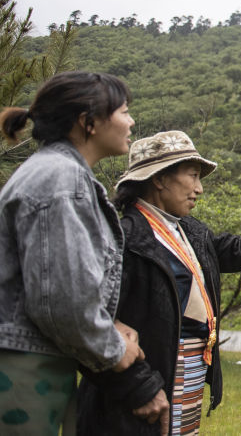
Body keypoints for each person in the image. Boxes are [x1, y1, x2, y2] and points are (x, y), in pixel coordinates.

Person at [75, 130, 241, 435]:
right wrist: (138, 387)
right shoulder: (122, 239)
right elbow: (88, 327)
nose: (199, 189)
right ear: (159, 179)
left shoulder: (192, 233)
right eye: (192, 176)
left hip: (186, 384)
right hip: (139, 393)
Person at [0, 71, 144, 435]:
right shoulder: (61, 180)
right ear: (89, 123)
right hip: (22, 369)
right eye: (124, 111)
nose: (131, 121)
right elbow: (61, 302)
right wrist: (114, 347)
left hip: (35, 361)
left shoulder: (59, 173)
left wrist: (105, 324)